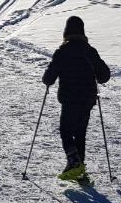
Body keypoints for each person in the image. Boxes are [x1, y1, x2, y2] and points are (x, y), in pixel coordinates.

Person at [41, 15, 110, 181]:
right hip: (87, 100)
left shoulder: (62, 52)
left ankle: (73, 161)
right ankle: (79, 168)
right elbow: (104, 76)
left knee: (65, 131)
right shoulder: (90, 51)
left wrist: (49, 79)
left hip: (69, 98)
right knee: (80, 133)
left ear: (66, 32)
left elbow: (48, 78)